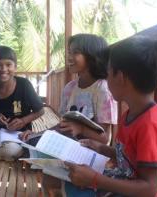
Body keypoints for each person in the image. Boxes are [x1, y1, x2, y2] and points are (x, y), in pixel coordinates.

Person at [65, 36, 157, 197]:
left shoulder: (150, 125)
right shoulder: (131, 115)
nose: (106, 78)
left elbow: (150, 188)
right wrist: (101, 148)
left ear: (121, 77)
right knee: (73, 184)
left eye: (108, 72)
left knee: (78, 190)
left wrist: (94, 179)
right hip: (128, 182)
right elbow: (131, 157)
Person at [42, 34, 118, 196]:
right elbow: (63, 124)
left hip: (92, 154)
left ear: (92, 57)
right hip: (67, 148)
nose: (69, 57)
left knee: (61, 183)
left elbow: (105, 138)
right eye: (68, 52)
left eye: (75, 52)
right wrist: (38, 135)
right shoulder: (70, 88)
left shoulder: (102, 89)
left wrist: (80, 128)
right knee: (48, 179)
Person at [0, 46, 44, 161]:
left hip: (19, 133)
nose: (3, 69)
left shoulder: (24, 85)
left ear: (15, 67)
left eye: (8, 64)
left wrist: (23, 121)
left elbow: (40, 110)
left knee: (10, 151)